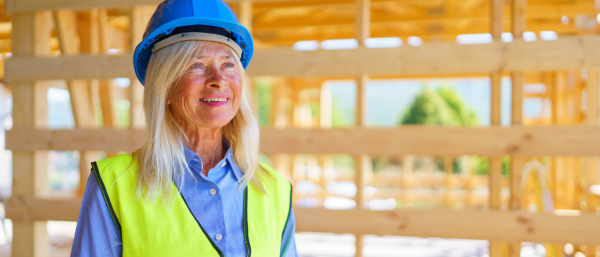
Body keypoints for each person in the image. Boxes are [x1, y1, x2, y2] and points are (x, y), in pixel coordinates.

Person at [70, 0, 298, 256]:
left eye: (228, 65)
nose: (218, 80)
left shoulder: (275, 190)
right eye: (196, 65)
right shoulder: (114, 186)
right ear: (164, 86)